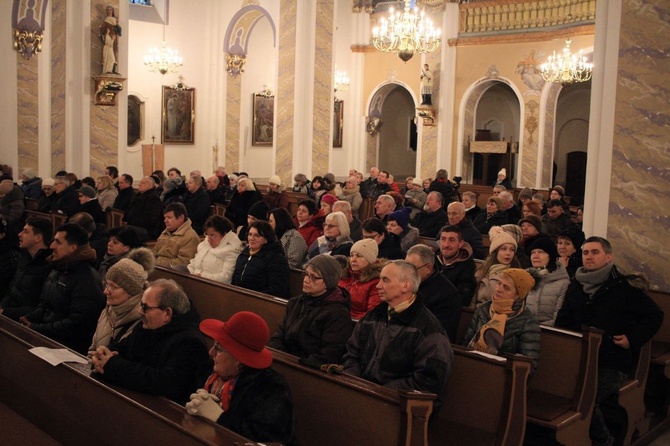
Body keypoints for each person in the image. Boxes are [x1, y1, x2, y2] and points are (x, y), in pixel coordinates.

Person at [556, 237, 664, 446]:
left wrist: (632, 339)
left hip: (612, 360)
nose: (589, 257)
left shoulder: (623, 287)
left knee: (586, 397)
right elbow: (564, 317)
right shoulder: (577, 284)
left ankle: (605, 441)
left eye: (595, 252)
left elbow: (654, 315)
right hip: (579, 356)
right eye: (586, 253)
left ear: (608, 256)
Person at [343, 260, 453, 410]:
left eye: (385, 280)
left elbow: (427, 383)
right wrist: (354, 382)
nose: (378, 285)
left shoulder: (429, 331)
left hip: (395, 406)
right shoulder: (375, 315)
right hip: (360, 394)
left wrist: (379, 393)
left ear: (405, 285)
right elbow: (352, 352)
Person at [89, 279, 210, 404]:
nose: (140, 311)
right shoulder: (146, 326)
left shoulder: (191, 343)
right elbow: (121, 348)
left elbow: (165, 383)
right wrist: (103, 354)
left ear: (167, 313)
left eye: (145, 307)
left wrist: (113, 365)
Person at [186, 312, 294, 443]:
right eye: (213, 345)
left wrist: (219, 416)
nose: (211, 352)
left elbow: (269, 437)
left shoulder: (270, 387)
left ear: (239, 359)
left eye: (218, 349)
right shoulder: (208, 369)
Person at [20, 223, 106, 354]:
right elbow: (44, 305)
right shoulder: (57, 269)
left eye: (58, 242)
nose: (52, 246)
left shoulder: (87, 280)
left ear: (73, 248)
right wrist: (28, 319)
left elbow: (76, 324)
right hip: (48, 337)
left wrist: (36, 327)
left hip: (67, 348)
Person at [269, 254, 352, 365]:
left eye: (314, 277)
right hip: (286, 362)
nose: (306, 280)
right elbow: (278, 336)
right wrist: (282, 359)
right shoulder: (296, 302)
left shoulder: (338, 313)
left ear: (329, 281)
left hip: (309, 370)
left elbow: (330, 354)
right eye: (306, 274)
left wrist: (297, 364)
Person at [462, 268, 541, 372]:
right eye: (499, 283)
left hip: (500, 375)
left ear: (518, 296)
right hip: (471, 367)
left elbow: (529, 365)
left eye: (506, 288)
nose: (498, 289)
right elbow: (465, 344)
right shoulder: (484, 309)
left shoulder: (528, 321)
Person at [89, 247, 155, 350]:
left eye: (113, 287)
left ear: (131, 291)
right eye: (106, 284)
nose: (105, 291)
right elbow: (94, 345)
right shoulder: (108, 309)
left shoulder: (143, 321)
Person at [406, 245, 461, 342]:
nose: (407, 273)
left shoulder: (448, 294)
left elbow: (439, 332)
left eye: (413, 269)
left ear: (428, 268)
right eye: (406, 268)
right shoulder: (406, 284)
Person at [0, 218, 52, 321]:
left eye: (26, 231)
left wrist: (5, 312)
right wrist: (2, 308)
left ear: (38, 238)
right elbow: (11, 290)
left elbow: (38, 307)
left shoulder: (47, 267)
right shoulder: (24, 259)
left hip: (22, 321)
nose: (20, 234)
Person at [232, 220, 291, 298]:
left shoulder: (276, 258)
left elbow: (276, 290)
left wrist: (252, 297)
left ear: (266, 239)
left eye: (257, 235)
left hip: (262, 302)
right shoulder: (244, 253)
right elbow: (235, 279)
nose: (251, 238)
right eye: (250, 234)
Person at [525, 237, 569, 326]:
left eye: (541, 252)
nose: (536, 256)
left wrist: (535, 328)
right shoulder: (526, 279)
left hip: (549, 333)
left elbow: (558, 319)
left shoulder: (563, 284)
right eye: (533, 252)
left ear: (550, 256)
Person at [473, 226, 520, 307]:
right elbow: (472, 301)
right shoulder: (482, 271)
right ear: (495, 252)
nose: (508, 253)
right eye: (503, 249)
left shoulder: (515, 275)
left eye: (512, 250)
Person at [187, 215, 242, 284]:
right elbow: (193, 263)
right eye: (207, 234)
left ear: (224, 234)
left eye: (213, 235)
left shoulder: (232, 250)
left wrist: (201, 276)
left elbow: (226, 277)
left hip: (213, 287)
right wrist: (188, 272)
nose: (209, 239)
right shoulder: (205, 244)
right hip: (195, 281)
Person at [338, 239, 383, 320]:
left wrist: (346, 317)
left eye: (359, 256)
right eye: (351, 255)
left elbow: (372, 314)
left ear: (370, 260)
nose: (353, 260)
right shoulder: (344, 275)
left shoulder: (376, 282)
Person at [435, 225, 477, 307]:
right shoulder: (432, 260)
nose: (446, 245)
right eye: (443, 239)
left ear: (460, 244)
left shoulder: (468, 267)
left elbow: (462, 299)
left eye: (452, 240)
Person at [153, 202, 200, 268]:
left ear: (181, 218)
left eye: (169, 217)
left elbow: (184, 262)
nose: (165, 221)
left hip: (172, 273)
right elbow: (154, 252)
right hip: (157, 268)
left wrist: (158, 264)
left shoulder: (190, 236)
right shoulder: (165, 232)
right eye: (165, 217)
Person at [124, 176, 164, 241]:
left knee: (126, 232)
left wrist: (132, 221)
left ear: (150, 185)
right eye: (140, 182)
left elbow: (149, 219)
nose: (139, 184)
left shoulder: (153, 199)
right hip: (136, 226)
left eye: (142, 183)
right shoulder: (138, 196)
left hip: (149, 230)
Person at [100, 6, 121, 74]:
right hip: (108, 38)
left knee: (114, 53)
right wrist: (107, 32)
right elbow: (102, 30)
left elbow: (119, 31)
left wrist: (117, 25)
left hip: (114, 39)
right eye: (108, 10)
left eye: (110, 10)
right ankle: (108, 69)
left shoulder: (115, 20)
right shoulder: (106, 20)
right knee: (109, 55)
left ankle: (113, 69)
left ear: (112, 11)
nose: (109, 11)